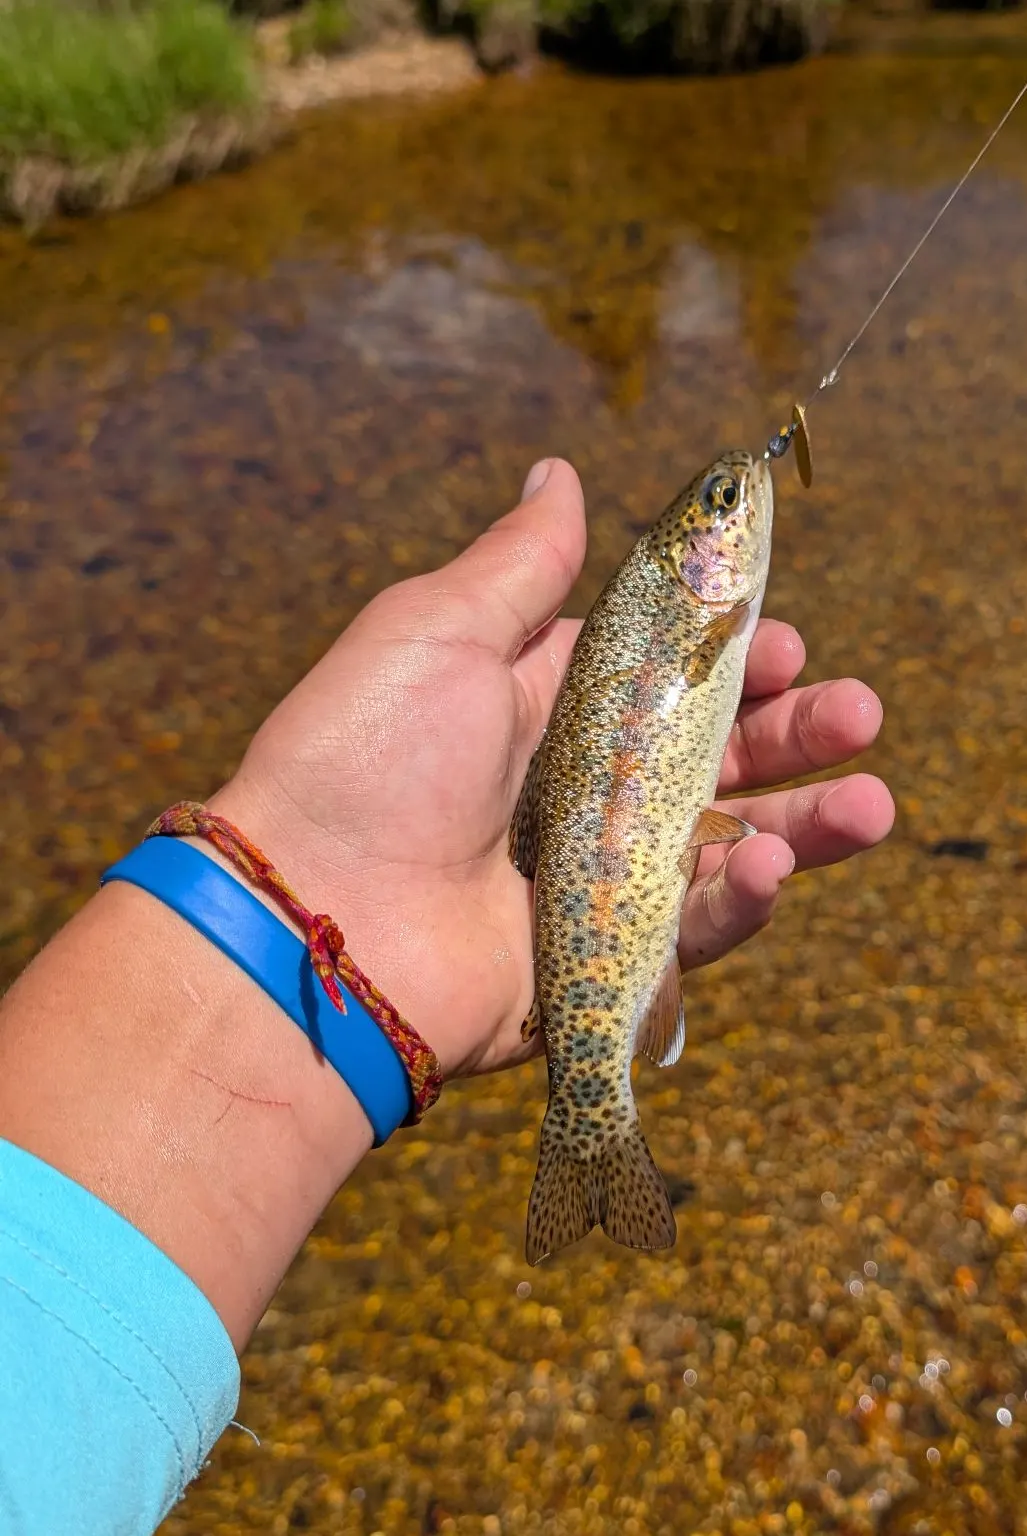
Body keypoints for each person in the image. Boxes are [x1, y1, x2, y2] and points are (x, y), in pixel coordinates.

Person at [0, 460, 894, 1536]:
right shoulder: (688, 609)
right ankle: (592, 1116)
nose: (740, 505)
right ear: (695, 563)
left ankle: (590, 1107)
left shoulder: (700, 613)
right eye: (722, 507)